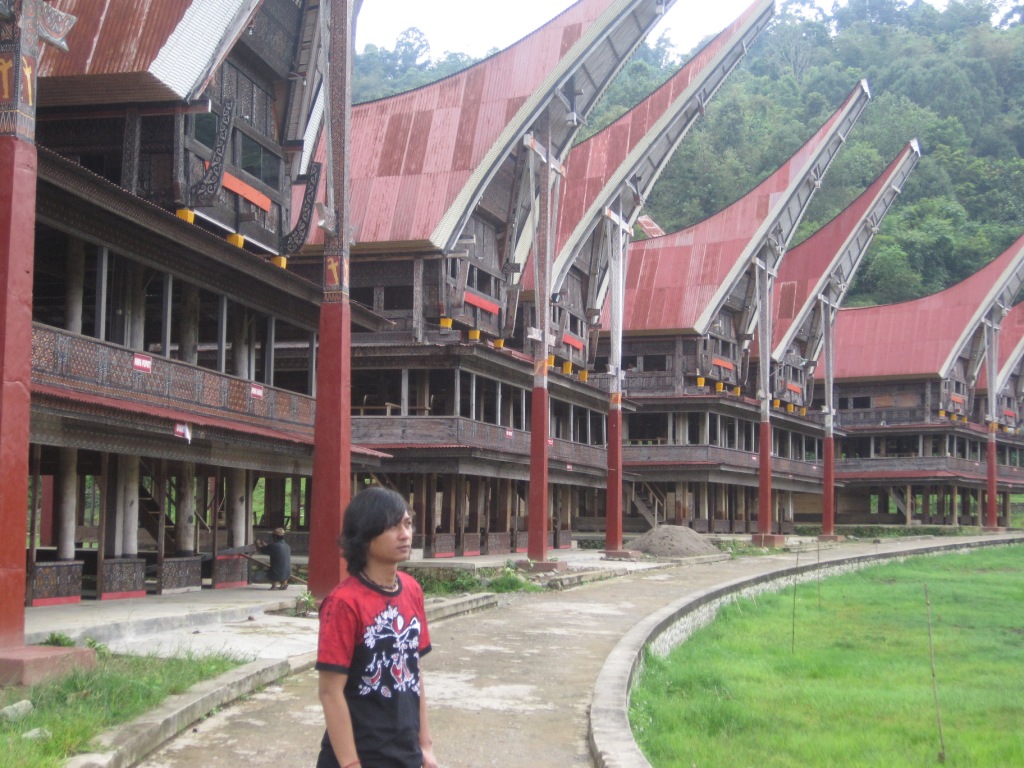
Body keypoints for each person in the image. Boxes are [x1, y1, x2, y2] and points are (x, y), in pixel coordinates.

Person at [316, 486, 438, 768]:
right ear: (365, 535)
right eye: (392, 527)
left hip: (406, 752)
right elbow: (330, 691)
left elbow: (413, 672)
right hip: (361, 754)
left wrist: (425, 746)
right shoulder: (344, 603)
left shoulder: (412, 590)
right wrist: (350, 764)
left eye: (407, 524)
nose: (405, 534)